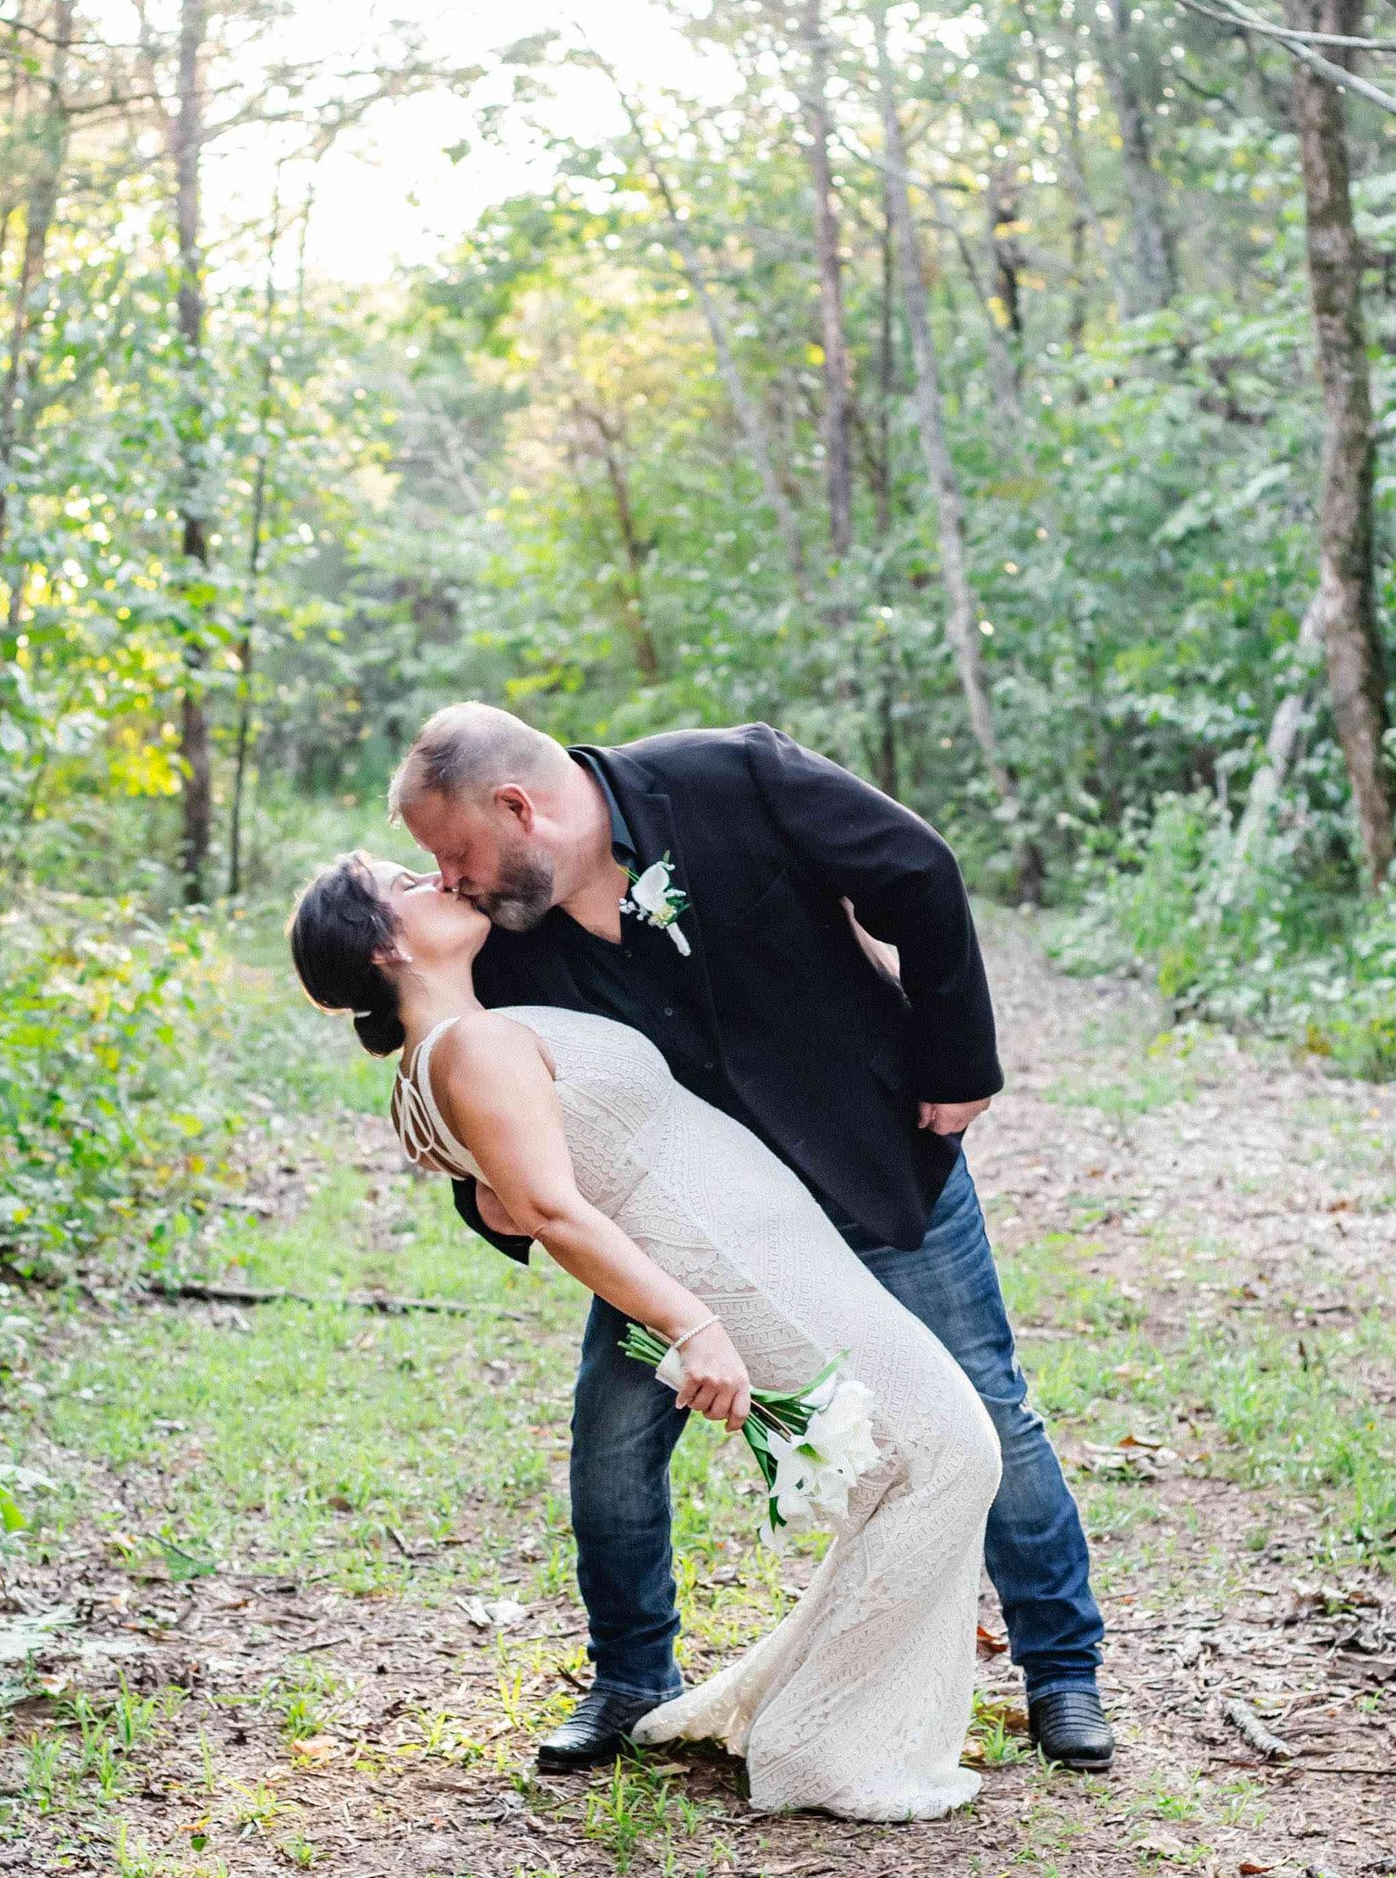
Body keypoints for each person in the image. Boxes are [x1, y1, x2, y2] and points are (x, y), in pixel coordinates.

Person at [386, 703, 1110, 1781]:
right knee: (613, 1439)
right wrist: (485, 1204)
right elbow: (493, 1106)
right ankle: (631, 1676)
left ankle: (1062, 1669)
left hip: (869, 1164)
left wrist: (958, 1065)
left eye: (453, 852)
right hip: (684, 1237)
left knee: (985, 1401)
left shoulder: (731, 776)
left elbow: (917, 869)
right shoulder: (501, 939)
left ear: (517, 806)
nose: (449, 880)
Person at [287, 855, 1001, 1819]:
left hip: (752, 1242)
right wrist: (692, 1324)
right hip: (739, 1265)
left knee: (910, 1469)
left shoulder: (440, 1058)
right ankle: (824, 1745)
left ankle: (798, 1711)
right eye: (407, 883)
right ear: (386, 944)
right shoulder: (474, 1046)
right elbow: (546, 1208)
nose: (438, 880)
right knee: (953, 1455)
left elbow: (504, 1198)